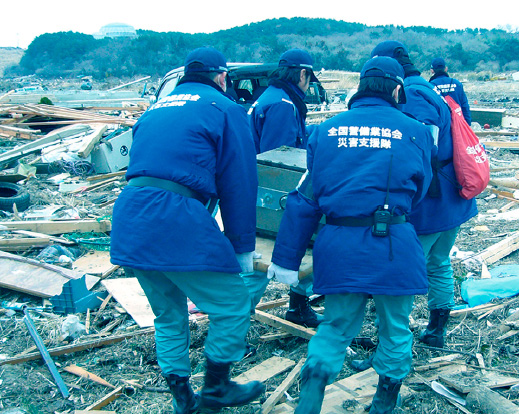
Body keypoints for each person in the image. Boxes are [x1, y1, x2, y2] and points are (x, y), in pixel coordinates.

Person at [267, 56, 434, 414]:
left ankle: (311, 396)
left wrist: (285, 261)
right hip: (394, 245)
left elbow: (304, 199)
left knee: (336, 325)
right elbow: (421, 191)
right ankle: (383, 402)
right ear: (395, 88)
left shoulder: (325, 131)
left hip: (340, 244)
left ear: (361, 86)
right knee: (395, 327)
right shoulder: (415, 130)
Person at [110, 47, 264, 413]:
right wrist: (242, 248)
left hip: (130, 215)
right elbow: (239, 183)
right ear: (223, 77)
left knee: (168, 314)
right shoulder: (226, 109)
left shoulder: (155, 109)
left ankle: (183, 399)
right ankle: (217, 389)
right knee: (232, 304)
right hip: (174, 216)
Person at [372, 41, 478, 349]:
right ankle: (435, 332)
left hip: (431, 201)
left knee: (397, 271)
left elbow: (421, 148)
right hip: (450, 198)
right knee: (439, 262)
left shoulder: (414, 93)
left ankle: (390, 345)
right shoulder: (425, 88)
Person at [246, 48, 324, 328]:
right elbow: (279, 162)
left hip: (256, 192)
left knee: (300, 251)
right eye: (309, 78)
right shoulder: (282, 105)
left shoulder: (271, 97)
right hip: (266, 199)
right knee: (263, 263)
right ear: (303, 74)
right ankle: (233, 326)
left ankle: (298, 306)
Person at [429, 57, 472, 125]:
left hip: (441, 125)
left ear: (432, 70)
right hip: (458, 123)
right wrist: (467, 124)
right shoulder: (457, 84)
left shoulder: (430, 86)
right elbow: (465, 106)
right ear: (446, 69)